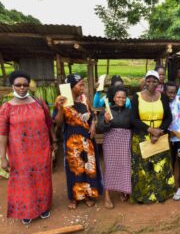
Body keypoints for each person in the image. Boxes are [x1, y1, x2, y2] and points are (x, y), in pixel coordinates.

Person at [0, 71, 57, 225]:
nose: (22, 88)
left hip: (41, 150)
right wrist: (2, 158)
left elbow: (49, 123)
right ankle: (27, 210)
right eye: (18, 85)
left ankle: (44, 207)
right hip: (20, 154)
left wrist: (54, 141)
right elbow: (3, 134)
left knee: (42, 178)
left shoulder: (39, 102)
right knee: (24, 181)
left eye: (25, 85)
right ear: (12, 85)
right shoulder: (7, 108)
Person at [54, 74, 103, 209]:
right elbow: (58, 122)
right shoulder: (62, 101)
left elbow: (92, 116)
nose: (83, 87)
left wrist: (93, 126)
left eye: (83, 84)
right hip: (71, 141)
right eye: (80, 85)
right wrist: (59, 108)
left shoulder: (84, 99)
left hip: (87, 140)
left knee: (88, 168)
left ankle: (88, 195)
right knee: (74, 169)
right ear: (71, 87)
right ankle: (74, 197)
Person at [130, 70, 175, 203]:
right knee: (143, 167)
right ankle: (143, 196)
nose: (151, 83)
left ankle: (160, 193)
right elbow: (133, 119)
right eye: (148, 80)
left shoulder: (163, 97)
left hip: (159, 136)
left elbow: (168, 117)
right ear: (144, 81)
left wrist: (159, 131)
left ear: (158, 82)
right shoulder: (136, 97)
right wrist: (150, 130)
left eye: (154, 80)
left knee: (160, 166)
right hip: (142, 136)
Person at [97, 86, 132, 209]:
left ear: (126, 98)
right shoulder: (107, 110)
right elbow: (100, 128)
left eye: (123, 97)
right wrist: (106, 121)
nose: (121, 99)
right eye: (118, 97)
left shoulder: (129, 112)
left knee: (124, 166)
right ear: (113, 98)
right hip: (111, 142)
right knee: (110, 167)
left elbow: (133, 126)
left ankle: (122, 189)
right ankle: (107, 195)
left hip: (125, 141)